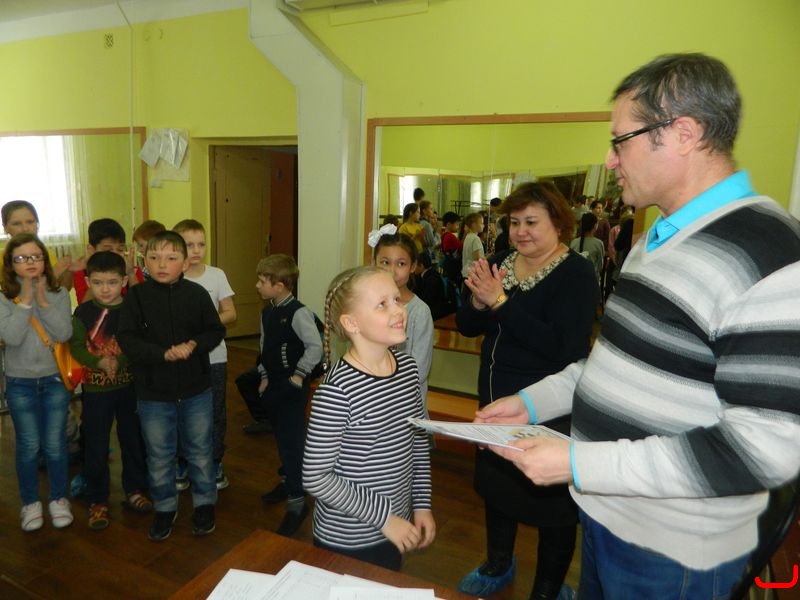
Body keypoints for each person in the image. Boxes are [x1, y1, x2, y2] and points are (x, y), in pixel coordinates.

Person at [477, 53, 800, 600]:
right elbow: (613, 362)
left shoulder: (769, 253)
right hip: (607, 517)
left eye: (620, 140)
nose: (610, 159)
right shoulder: (657, 239)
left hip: (674, 552)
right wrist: (532, 402)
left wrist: (580, 461)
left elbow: (762, 448)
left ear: (683, 134)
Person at [455, 182, 599, 599]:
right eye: (514, 222)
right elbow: (466, 325)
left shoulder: (576, 273)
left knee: (553, 506)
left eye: (531, 222)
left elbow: (565, 349)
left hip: (549, 406)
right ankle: (498, 562)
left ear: (558, 222)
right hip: (495, 400)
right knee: (498, 489)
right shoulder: (498, 261)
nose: (521, 231)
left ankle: (548, 588)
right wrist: (479, 303)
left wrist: (500, 302)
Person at [303, 266, 435, 571]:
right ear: (351, 323)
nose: (399, 310)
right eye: (382, 304)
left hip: (397, 525)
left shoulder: (408, 369)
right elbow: (316, 476)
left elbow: (417, 441)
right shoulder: (337, 392)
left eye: (397, 299)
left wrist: (421, 504)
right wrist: (385, 519)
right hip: (347, 539)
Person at [117, 230, 225, 541]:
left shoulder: (197, 294)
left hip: (196, 389)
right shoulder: (137, 297)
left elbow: (214, 330)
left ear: (185, 263)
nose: (162, 264)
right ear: (145, 261)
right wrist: (162, 354)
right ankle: (165, 507)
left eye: (171, 258)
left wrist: (194, 344)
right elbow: (128, 339)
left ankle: (204, 504)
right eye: (154, 257)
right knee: (159, 454)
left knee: (200, 451)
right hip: (153, 394)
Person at [69, 251, 151, 530]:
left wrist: (119, 361)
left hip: (129, 388)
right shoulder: (82, 313)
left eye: (112, 282)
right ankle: (97, 499)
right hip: (95, 391)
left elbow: (138, 343)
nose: (105, 289)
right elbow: (77, 347)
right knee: (95, 444)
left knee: (133, 439)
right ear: (88, 282)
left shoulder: (132, 309)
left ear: (124, 281)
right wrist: (99, 362)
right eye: (98, 282)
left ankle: (135, 489)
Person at [0, 233, 74, 531]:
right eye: (21, 258)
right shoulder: (4, 297)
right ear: (11, 264)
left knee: (55, 444)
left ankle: (58, 498)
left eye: (36, 256)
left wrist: (42, 301)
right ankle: (30, 502)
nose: (30, 262)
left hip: (54, 378)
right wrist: (26, 301)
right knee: (29, 444)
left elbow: (64, 333)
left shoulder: (59, 294)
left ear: (45, 259)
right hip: (20, 381)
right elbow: (12, 337)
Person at [254, 253, 323, 536]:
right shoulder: (268, 312)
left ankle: (297, 502)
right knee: (282, 440)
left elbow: (315, 347)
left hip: (292, 387)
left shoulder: (298, 313)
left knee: (292, 442)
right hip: (274, 384)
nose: (257, 285)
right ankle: (288, 480)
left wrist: (299, 375)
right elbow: (264, 347)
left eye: (262, 281)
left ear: (280, 285)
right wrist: (264, 375)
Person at [174, 219, 237, 491]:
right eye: (189, 245)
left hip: (214, 357)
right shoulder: (172, 278)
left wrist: (206, 327)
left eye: (201, 244)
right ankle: (182, 462)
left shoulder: (216, 275)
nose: (197, 250)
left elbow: (230, 312)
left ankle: (214, 461)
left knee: (214, 411)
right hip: (182, 359)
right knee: (181, 410)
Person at [372, 232, 433, 412]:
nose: (392, 271)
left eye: (401, 264)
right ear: (374, 262)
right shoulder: (367, 306)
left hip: (405, 405)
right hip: (371, 401)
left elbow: (419, 370)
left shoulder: (419, 312)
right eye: (385, 262)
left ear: (413, 266)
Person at [2, 200, 72, 287]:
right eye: (16, 224)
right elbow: (12, 292)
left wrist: (68, 270)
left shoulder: (46, 253)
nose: (25, 229)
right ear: (5, 228)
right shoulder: (2, 258)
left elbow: (62, 290)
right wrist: (54, 274)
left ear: (37, 224)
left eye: (30, 222)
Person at [72, 218, 143, 304]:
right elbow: (84, 308)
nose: (115, 255)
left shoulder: (133, 271)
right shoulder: (82, 273)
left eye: (120, 250)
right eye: (108, 250)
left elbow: (141, 305)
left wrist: (131, 274)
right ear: (91, 250)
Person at [569, 212, 605, 280]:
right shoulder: (598, 243)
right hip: (592, 279)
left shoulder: (573, 242)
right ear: (595, 225)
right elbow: (600, 266)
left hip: (575, 278)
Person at [460, 212, 485, 281]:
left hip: (466, 272)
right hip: (473, 272)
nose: (483, 225)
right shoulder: (476, 238)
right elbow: (477, 258)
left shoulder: (468, 236)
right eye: (481, 223)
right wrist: (487, 258)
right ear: (474, 225)